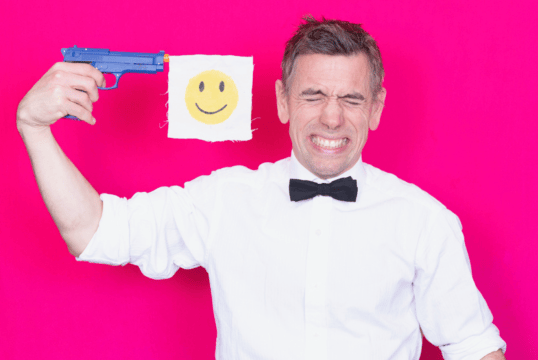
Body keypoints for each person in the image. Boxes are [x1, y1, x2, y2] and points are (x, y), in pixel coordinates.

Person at [16, 16, 507, 360]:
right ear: (282, 101)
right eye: (313, 95)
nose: (332, 118)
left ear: (376, 108)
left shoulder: (425, 222)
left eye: (351, 99)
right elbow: (94, 231)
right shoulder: (224, 200)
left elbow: (472, 348)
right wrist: (34, 129)